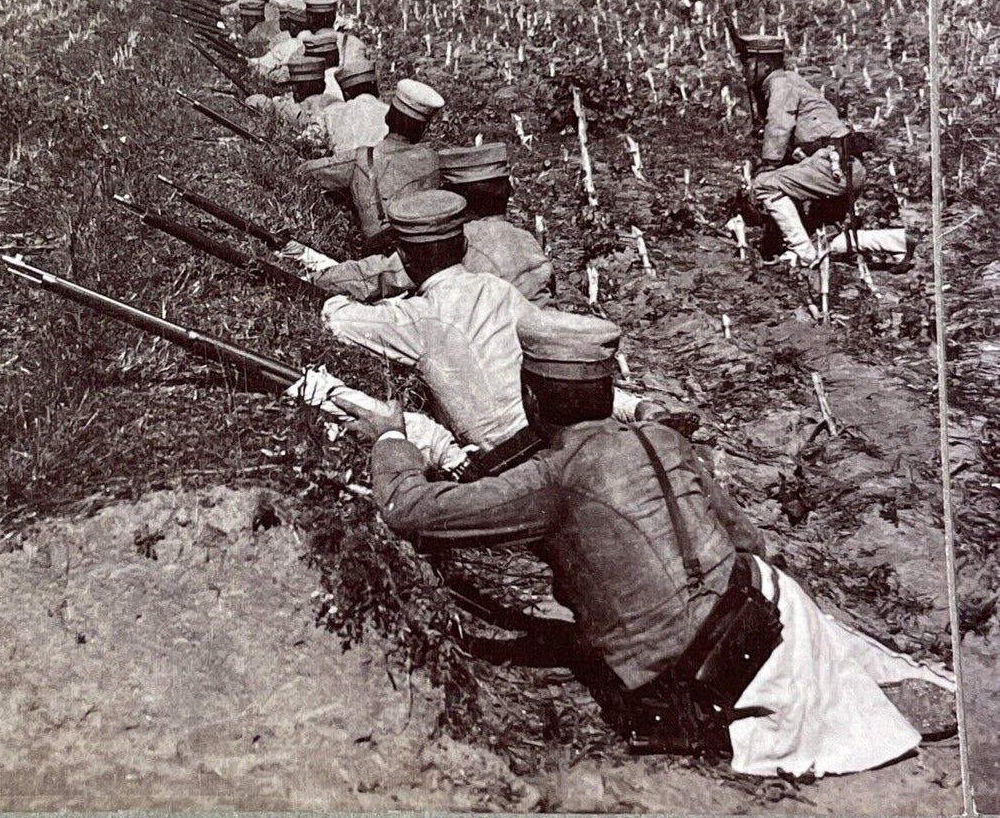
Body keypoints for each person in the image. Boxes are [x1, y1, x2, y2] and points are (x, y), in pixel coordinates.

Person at [338, 319, 956, 775]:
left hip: (694, 677)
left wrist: (392, 439)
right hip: (762, 611)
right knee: (824, 646)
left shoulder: (551, 479)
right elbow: (749, 539)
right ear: (609, 392)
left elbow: (407, 510)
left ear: (530, 398)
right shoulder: (662, 438)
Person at [316, 191, 655, 477]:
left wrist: (350, 299)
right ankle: (635, 412)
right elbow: (556, 355)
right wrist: (629, 406)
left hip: (505, 467)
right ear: (463, 245)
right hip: (561, 436)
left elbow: (339, 320)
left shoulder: (418, 316)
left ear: (404, 257)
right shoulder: (497, 289)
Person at [740, 33, 911, 268]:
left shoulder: (781, 84)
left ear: (765, 64)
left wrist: (767, 165)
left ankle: (803, 255)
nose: (744, 71)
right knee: (823, 238)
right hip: (844, 166)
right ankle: (899, 241)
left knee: (764, 185)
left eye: (748, 63)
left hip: (830, 167)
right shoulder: (793, 81)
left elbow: (779, 126)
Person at [304, 143, 553, 303]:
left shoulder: (454, 241)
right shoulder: (526, 239)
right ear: (507, 191)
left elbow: (379, 276)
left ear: (452, 199)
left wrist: (314, 278)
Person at [300, 79, 446, 254]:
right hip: (433, 247)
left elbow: (306, 173)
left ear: (388, 117)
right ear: (421, 129)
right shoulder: (432, 158)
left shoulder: (361, 158)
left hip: (387, 253)